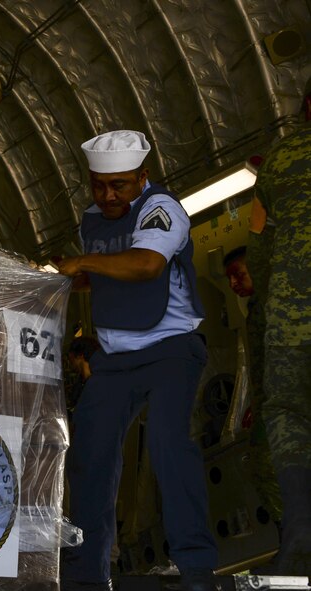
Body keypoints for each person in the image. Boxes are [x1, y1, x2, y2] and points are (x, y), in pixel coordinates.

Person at [57, 130, 216, 591]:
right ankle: (86, 575)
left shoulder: (162, 208)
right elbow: (108, 275)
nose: (108, 195)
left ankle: (196, 566)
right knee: (89, 457)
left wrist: (82, 262)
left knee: (169, 446)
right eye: (99, 185)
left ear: (142, 177)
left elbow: (146, 265)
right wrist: (67, 278)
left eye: (120, 186)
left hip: (168, 348)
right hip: (114, 357)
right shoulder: (93, 219)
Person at [245, 80, 311, 575]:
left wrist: (268, 308)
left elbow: (260, 252)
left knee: (288, 415)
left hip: (290, 317)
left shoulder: (280, 159)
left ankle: (303, 530)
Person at [222, 247, 282, 528]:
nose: (234, 284)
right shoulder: (261, 307)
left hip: (284, 408)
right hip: (273, 407)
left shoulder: (278, 305)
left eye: (238, 275)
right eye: (229, 279)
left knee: (268, 470)